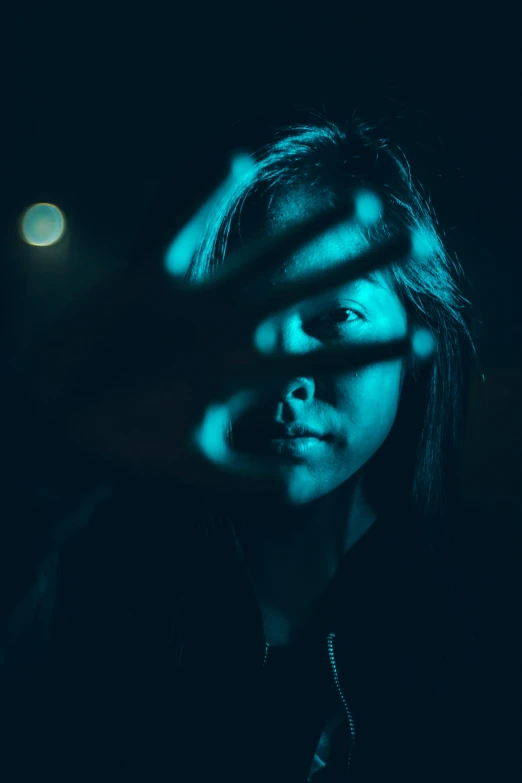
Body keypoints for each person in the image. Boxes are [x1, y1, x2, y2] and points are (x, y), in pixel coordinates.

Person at [0, 108, 508, 782]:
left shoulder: (498, 602)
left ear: (415, 346)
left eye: (337, 317)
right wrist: (39, 477)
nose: (286, 369)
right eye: (238, 321)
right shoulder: (71, 593)